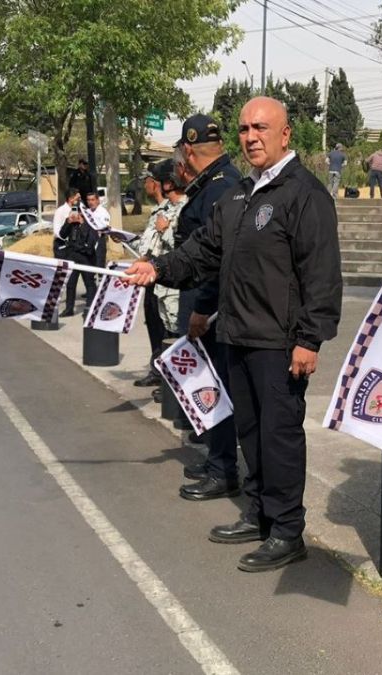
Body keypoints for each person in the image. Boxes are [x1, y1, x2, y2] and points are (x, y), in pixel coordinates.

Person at [125, 97, 343, 572]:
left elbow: (322, 274)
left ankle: (287, 530)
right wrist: (156, 267)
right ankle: (262, 513)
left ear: (286, 135)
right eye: (245, 129)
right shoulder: (240, 195)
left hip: (280, 343)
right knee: (251, 433)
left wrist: (311, 338)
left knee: (279, 436)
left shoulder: (304, 194)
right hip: (237, 336)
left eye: (261, 128)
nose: (251, 137)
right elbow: (201, 253)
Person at [166, 114, 242, 501]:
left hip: (206, 303)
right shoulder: (216, 184)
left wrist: (201, 309)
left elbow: (215, 257)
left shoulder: (218, 188)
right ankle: (217, 457)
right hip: (201, 297)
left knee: (217, 386)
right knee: (210, 383)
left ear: (189, 150)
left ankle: (224, 468)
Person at [134, 160, 187, 388]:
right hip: (157, 280)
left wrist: (165, 230)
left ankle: (172, 384)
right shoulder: (162, 211)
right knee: (160, 328)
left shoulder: (183, 209)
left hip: (172, 281)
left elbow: (181, 246)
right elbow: (150, 244)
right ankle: (163, 377)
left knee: (174, 333)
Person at [54, 204, 99, 316]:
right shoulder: (70, 222)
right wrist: (68, 222)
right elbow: (62, 235)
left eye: (78, 212)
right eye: (74, 211)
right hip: (72, 256)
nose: (76, 214)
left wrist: (82, 223)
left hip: (86, 257)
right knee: (70, 283)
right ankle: (69, 309)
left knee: (89, 283)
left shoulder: (89, 223)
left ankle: (90, 308)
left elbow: (90, 240)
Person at [80, 191, 110, 268]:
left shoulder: (103, 212)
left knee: (99, 265)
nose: (90, 202)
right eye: (88, 200)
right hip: (88, 242)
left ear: (97, 200)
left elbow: (104, 226)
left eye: (92, 200)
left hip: (99, 241)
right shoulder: (87, 212)